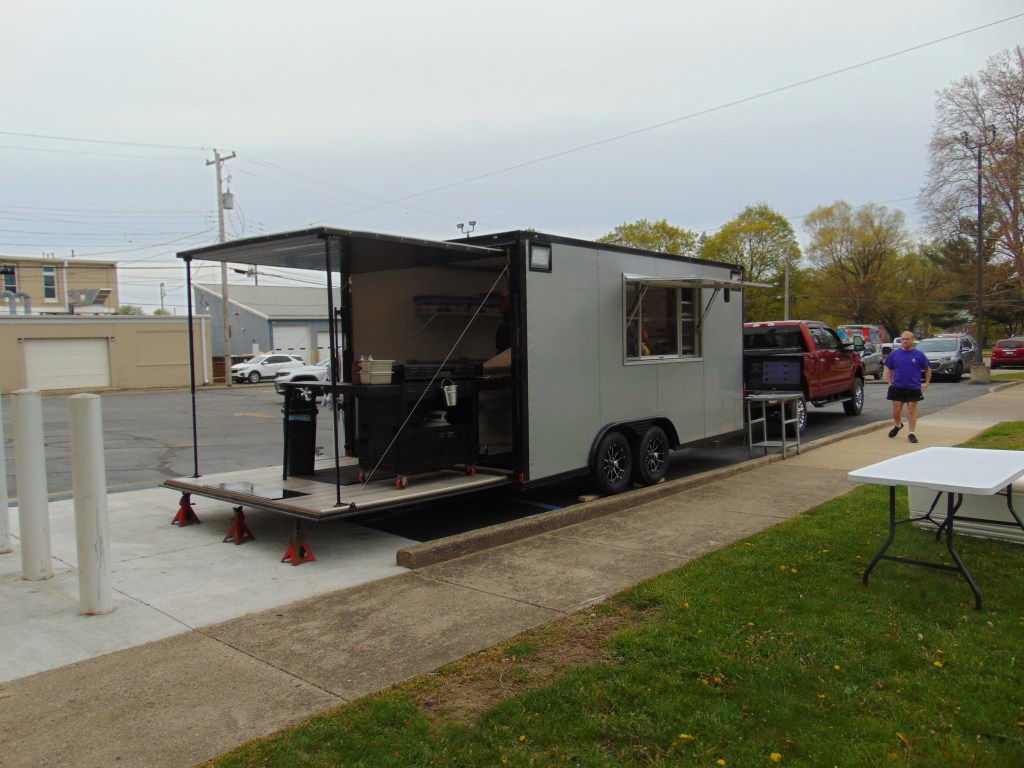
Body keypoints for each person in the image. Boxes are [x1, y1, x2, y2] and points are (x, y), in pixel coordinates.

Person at [884, 331, 931, 443]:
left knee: (912, 409)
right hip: (897, 387)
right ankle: (898, 425)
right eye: (903, 339)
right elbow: (889, 368)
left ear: (913, 340)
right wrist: (889, 382)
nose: (905, 341)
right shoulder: (895, 354)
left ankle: (911, 433)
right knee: (896, 411)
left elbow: (927, 368)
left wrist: (927, 382)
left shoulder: (919, 354)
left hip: (913, 387)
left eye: (907, 339)